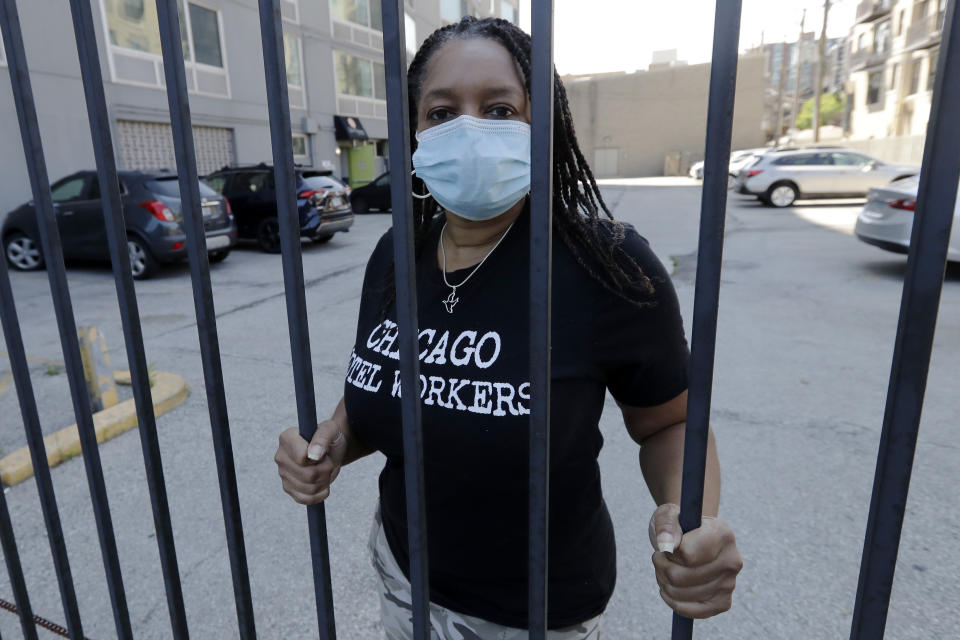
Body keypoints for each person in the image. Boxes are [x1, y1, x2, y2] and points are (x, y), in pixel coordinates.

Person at [275, 16, 742, 639]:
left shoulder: (605, 262)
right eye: (441, 113)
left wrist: (691, 517)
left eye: (499, 109)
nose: (468, 129)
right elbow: (391, 385)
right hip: (401, 571)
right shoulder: (397, 251)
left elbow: (671, 419)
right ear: (415, 131)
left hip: (535, 611)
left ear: (540, 125)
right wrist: (333, 440)